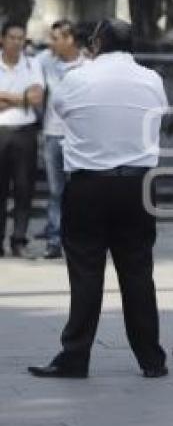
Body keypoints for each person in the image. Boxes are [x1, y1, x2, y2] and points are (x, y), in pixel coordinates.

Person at [28, 19, 168, 379]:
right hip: (137, 187)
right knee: (138, 273)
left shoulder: (77, 79)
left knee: (86, 274)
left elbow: (60, 112)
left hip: (89, 186)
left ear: (98, 42)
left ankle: (75, 356)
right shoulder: (152, 79)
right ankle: (151, 359)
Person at [36, 20, 88, 260]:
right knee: (56, 190)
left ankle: (78, 239)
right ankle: (55, 239)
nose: (51, 43)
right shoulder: (46, 62)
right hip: (52, 136)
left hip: (79, 138)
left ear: (70, 40)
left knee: (78, 190)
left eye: (56, 38)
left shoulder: (88, 66)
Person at [0, 20, 44, 259]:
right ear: (2, 39)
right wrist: (22, 98)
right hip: (0, 132)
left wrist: (5, 97)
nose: (17, 42)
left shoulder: (32, 63)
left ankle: (19, 239)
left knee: (24, 188)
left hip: (25, 133)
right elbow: (29, 97)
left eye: (21, 38)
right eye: (12, 37)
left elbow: (37, 97)